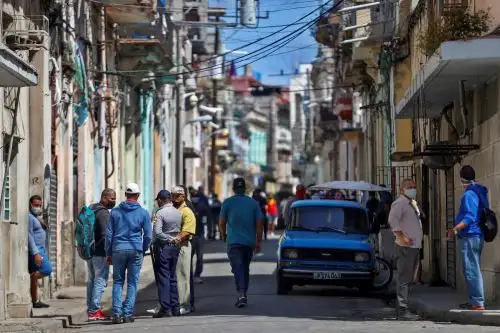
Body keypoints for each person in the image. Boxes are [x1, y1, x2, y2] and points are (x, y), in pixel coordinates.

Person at [105, 183, 152, 324]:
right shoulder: (143, 212)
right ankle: (127, 314)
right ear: (137, 196)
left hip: (118, 250)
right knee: (132, 283)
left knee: (118, 282)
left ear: (125, 195)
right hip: (135, 249)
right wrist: (142, 249)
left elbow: (108, 235)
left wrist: (109, 253)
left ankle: (116, 314)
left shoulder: (115, 212)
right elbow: (148, 235)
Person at [219, 178, 264, 308]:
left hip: (233, 242)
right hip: (249, 242)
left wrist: (223, 235)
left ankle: (241, 294)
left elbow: (221, 222)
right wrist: (259, 240)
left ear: (233, 189)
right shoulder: (253, 203)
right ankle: (243, 293)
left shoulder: (227, 203)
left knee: (237, 267)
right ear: (245, 189)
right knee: (244, 268)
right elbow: (259, 222)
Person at [447, 165, 487, 311]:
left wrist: (455, 229)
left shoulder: (469, 194)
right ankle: (474, 301)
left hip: (470, 235)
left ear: (461, 178)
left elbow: (470, 216)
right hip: (476, 235)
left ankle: (477, 302)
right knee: (473, 268)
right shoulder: (479, 190)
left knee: (471, 269)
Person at [388, 179, 423, 320]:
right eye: (409, 187)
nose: (413, 189)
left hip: (414, 247)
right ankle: (403, 311)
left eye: (414, 187)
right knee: (403, 279)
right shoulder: (400, 203)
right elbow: (392, 220)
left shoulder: (412, 203)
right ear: (402, 189)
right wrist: (402, 236)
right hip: (405, 247)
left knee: (409, 279)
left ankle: (404, 308)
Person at [87, 188, 116, 321]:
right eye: (111, 198)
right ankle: (94, 311)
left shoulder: (91, 208)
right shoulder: (104, 213)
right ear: (104, 197)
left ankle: (91, 309)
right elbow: (105, 236)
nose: (113, 201)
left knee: (92, 281)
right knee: (100, 280)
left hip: (90, 251)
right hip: (100, 252)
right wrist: (109, 252)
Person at [152, 190, 182, 318]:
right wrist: (173, 238)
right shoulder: (177, 212)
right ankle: (176, 307)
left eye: (158, 200)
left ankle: (166, 308)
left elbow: (158, 232)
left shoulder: (160, 213)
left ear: (161, 200)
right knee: (172, 277)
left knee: (164, 278)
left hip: (164, 247)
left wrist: (168, 238)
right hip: (175, 246)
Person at [172, 185, 196, 315]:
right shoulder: (171, 209)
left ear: (183, 196)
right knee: (172, 276)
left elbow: (187, 231)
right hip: (171, 246)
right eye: (173, 195)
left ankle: (185, 304)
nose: (175, 198)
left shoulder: (186, 211)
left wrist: (174, 239)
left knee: (183, 275)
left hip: (183, 246)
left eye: (178, 196)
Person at [28, 195, 52, 309]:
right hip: (37, 250)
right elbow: (29, 236)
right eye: (35, 205)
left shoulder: (37, 217)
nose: (38, 207)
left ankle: (35, 300)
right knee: (47, 270)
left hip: (42, 249)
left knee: (36, 273)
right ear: (30, 205)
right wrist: (36, 253)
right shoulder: (30, 218)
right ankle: (32, 278)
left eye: (39, 205)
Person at [191, 188, 212, 284]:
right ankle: (190, 275)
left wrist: (208, 231)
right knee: (189, 257)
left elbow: (207, 218)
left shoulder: (202, 207)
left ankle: (197, 275)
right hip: (189, 235)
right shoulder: (187, 206)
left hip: (199, 234)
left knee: (199, 257)